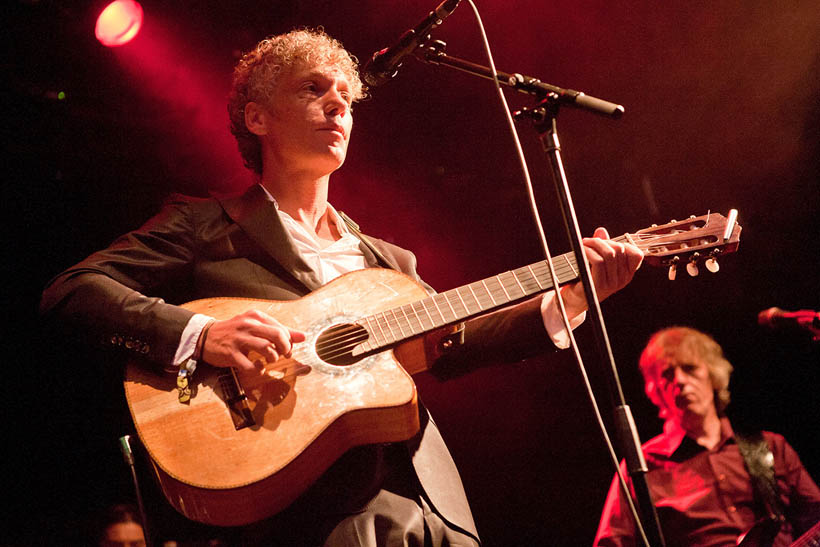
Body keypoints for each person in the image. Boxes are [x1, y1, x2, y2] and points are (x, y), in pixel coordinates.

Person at [41, 28, 643, 545]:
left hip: (430, 498)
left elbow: (451, 345)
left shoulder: (388, 261)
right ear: (258, 117)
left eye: (347, 98)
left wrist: (566, 301)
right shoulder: (205, 226)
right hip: (310, 512)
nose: (339, 106)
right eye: (314, 88)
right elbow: (74, 290)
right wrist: (201, 334)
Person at [593, 326, 820, 546]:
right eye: (668, 374)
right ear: (656, 391)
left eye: (689, 368)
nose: (679, 380)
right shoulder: (641, 467)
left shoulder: (771, 447)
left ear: (713, 376)